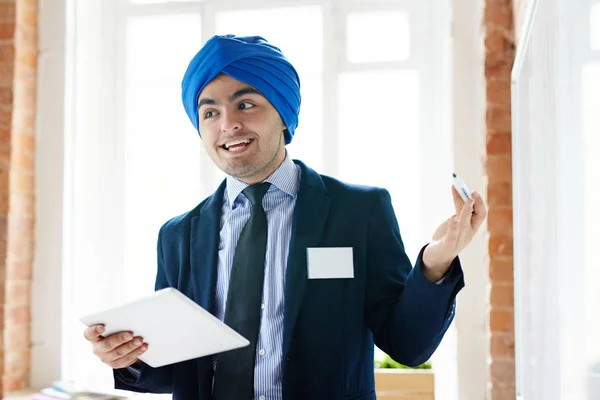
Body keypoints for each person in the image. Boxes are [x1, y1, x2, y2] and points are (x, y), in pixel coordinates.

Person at [83, 34, 487, 400]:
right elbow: (179, 370)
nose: (229, 125)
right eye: (210, 112)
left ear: (283, 113)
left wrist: (435, 265)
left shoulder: (358, 212)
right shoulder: (178, 235)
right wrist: (128, 356)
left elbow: (408, 345)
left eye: (245, 104)